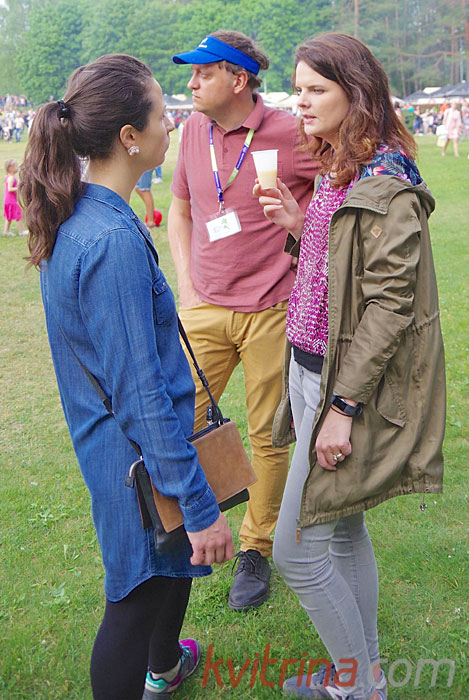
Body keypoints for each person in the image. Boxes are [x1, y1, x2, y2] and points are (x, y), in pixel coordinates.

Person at [19, 53, 234, 700]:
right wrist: (199, 505)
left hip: (136, 450)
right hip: (134, 458)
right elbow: (138, 396)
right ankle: (150, 666)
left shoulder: (89, 214)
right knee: (134, 600)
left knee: (169, 570)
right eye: (163, 114)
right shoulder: (107, 240)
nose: (174, 123)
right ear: (129, 137)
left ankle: (164, 667)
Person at [255, 33, 445, 700]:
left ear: (355, 94)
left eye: (316, 89)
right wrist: (298, 225)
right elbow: (342, 268)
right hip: (310, 368)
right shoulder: (341, 166)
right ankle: (363, 681)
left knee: (295, 552)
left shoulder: (385, 182)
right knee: (343, 531)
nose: (300, 103)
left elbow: (389, 306)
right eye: (297, 90)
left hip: (342, 385)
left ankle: (359, 687)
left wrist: (341, 408)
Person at [169, 30, 317, 611]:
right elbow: (181, 210)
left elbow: (338, 194)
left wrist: (302, 229)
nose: (191, 83)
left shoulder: (291, 131)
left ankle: (256, 548)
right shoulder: (191, 131)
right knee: (179, 420)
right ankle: (187, 523)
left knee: (268, 436)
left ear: (238, 79)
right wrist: (187, 287)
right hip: (204, 307)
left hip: (273, 310)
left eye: (202, 73)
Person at [3, 158, 27, 236]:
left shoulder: (8, 176)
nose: (17, 167)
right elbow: (10, 189)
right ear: (10, 168)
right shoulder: (11, 178)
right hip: (11, 200)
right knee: (18, 215)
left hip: (8, 200)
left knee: (9, 217)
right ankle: (21, 232)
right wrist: (19, 188)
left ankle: (6, 231)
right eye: (15, 166)